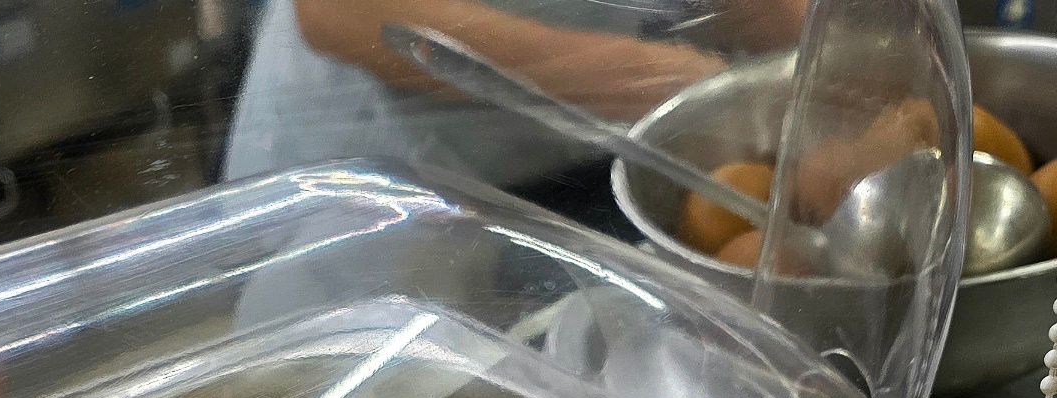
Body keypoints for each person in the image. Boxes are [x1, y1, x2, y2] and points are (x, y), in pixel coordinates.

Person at [224, 0, 809, 214]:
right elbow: (342, 14)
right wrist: (646, 78)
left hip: (556, 167)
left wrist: (816, 62)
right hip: (374, 176)